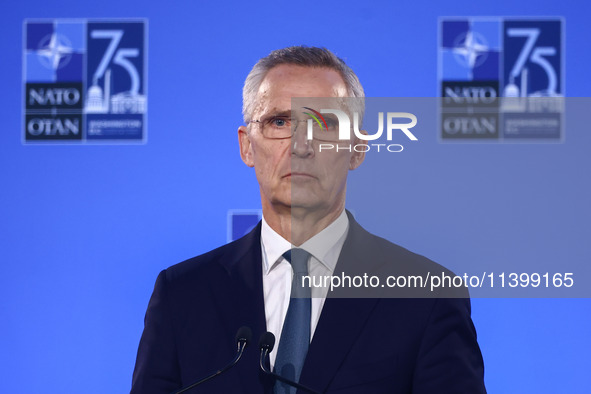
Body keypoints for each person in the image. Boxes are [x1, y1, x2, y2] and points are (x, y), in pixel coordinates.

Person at [131, 46, 486, 393]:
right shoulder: (182, 294)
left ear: (358, 149)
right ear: (247, 146)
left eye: (325, 123)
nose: (301, 145)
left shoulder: (426, 296)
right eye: (280, 121)